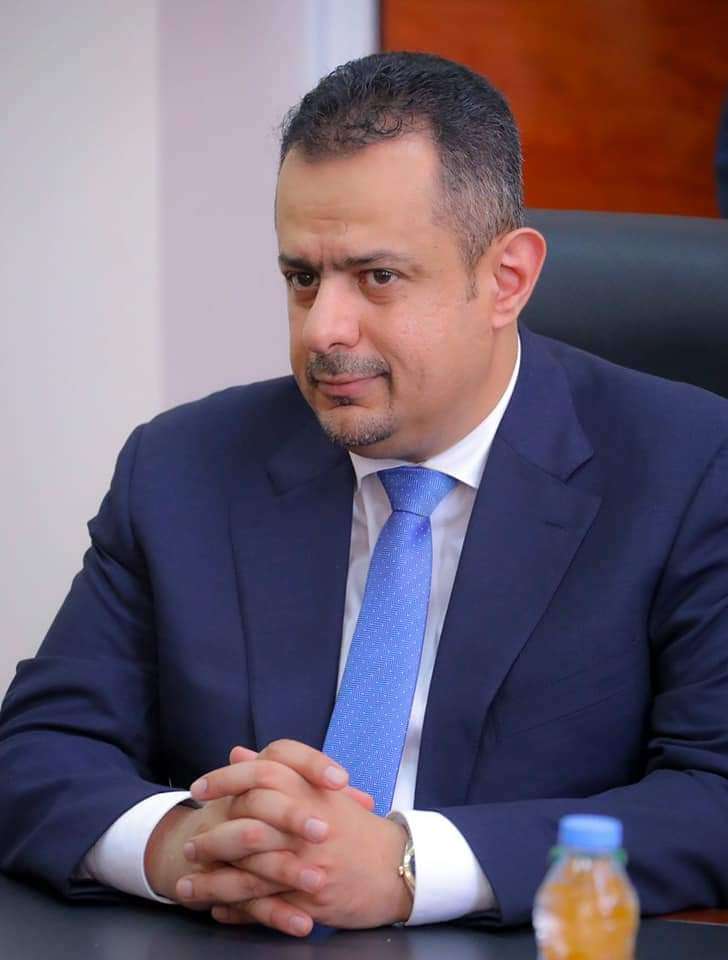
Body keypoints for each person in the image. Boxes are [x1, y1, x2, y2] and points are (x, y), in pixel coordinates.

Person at [2, 51, 728, 937]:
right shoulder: (183, 467)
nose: (323, 329)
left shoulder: (688, 467)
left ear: (506, 280)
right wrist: (186, 847)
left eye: (377, 276)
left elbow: (714, 793)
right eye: (302, 278)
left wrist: (407, 867)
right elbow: (36, 752)